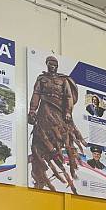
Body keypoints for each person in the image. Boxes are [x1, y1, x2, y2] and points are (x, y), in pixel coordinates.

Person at [28, 55, 86, 192]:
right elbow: (36, 94)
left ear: (57, 66)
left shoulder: (63, 80)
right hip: (44, 110)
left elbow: (68, 96)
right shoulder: (41, 79)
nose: (52, 66)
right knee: (40, 135)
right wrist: (32, 110)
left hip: (59, 111)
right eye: (50, 64)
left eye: (54, 64)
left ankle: (68, 163)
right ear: (47, 65)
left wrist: (68, 112)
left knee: (64, 135)